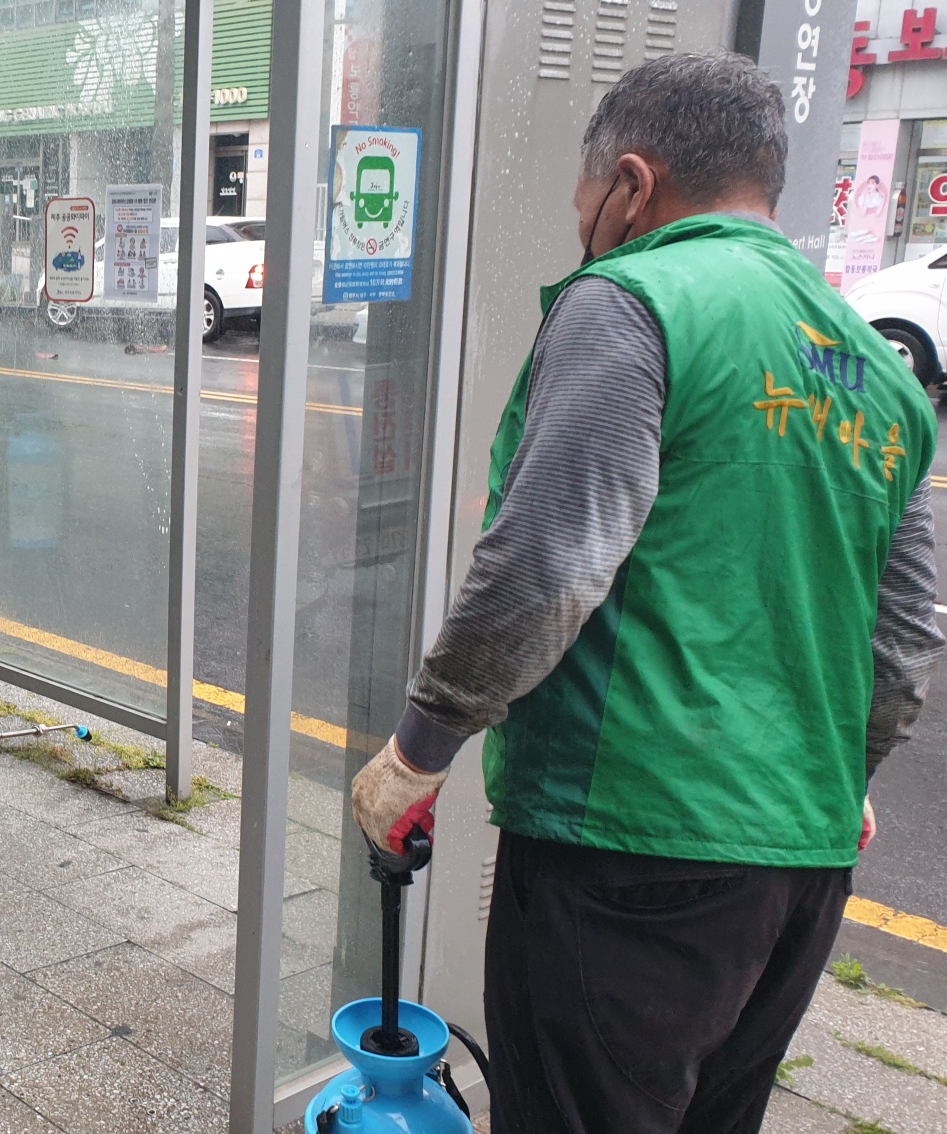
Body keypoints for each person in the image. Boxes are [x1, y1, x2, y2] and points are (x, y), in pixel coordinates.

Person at [350, 53, 942, 1134]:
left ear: (632, 183)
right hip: (799, 868)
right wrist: (841, 770)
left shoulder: (632, 300)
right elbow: (903, 638)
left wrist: (416, 754)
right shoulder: (883, 371)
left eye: (589, 208)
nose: (589, 230)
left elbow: (544, 567)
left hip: (627, 850)